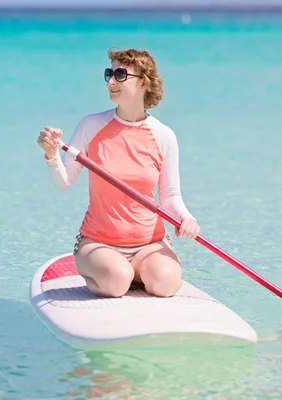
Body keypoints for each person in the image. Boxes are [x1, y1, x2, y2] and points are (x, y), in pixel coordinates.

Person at [36, 48, 200, 298]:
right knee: (115, 281)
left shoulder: (163, 135)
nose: (111, 81)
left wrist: (186, 218)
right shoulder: (91, 125)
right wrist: (51, 154)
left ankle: (138, 272)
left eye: (121, 74)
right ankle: (111, 273)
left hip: (150, 243)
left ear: (143, 81)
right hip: (99, 243)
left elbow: (170, 196)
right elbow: (64, 182)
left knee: (165, 284)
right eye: (109, 74)